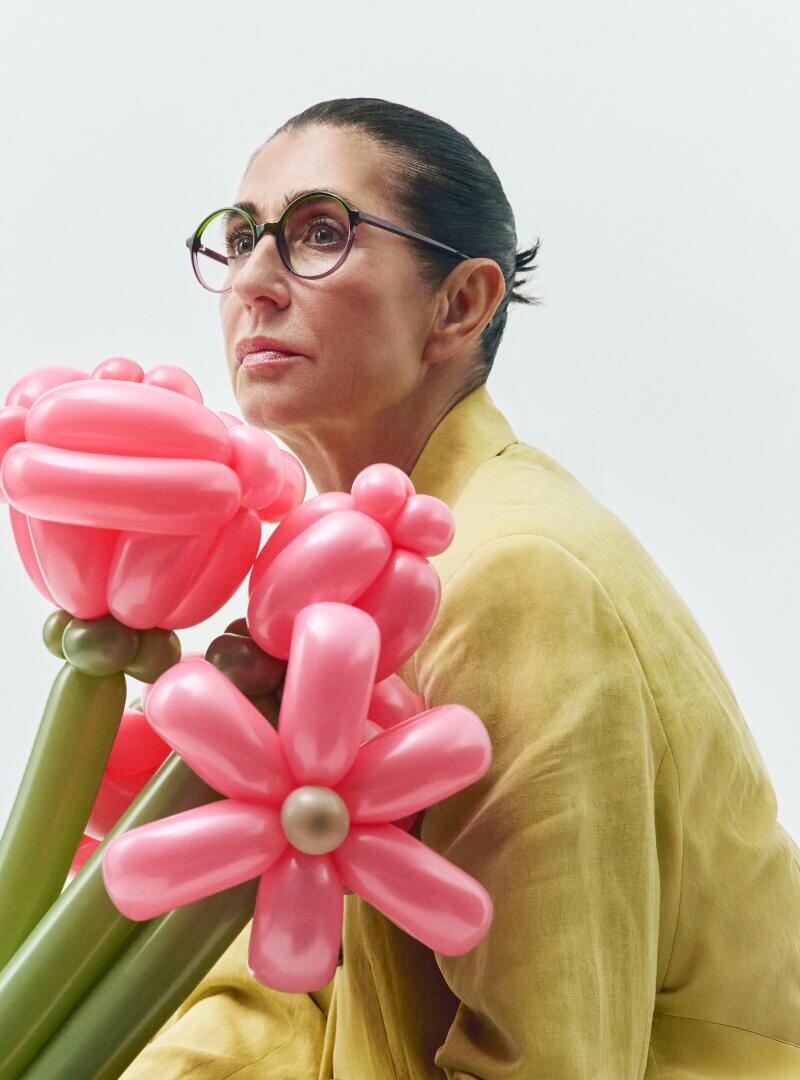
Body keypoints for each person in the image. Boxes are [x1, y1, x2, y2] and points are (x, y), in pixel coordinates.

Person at [121, 97, 800, 1078]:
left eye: (319, 233)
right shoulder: (328, 593)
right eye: (238, 239)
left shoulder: (517, 576)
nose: (256, 282)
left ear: (462, 304)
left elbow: (552, 1060)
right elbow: (284, 988)